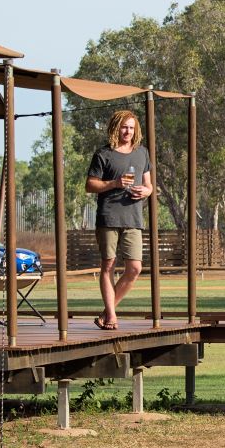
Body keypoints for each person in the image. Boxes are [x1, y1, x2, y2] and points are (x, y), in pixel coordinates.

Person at [85, 109, 154, 329]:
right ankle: (112, 317)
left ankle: (107, 312)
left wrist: (147, 191)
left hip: (133, 218)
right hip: (109, 217)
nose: (128, 131)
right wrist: (114, 184)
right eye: (125, 127)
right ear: (116, 127)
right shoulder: (103, 154)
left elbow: (150, 184)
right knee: (109, 265)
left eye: (132, 127)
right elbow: (90, 185)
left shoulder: (142, 153)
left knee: (134, 268)